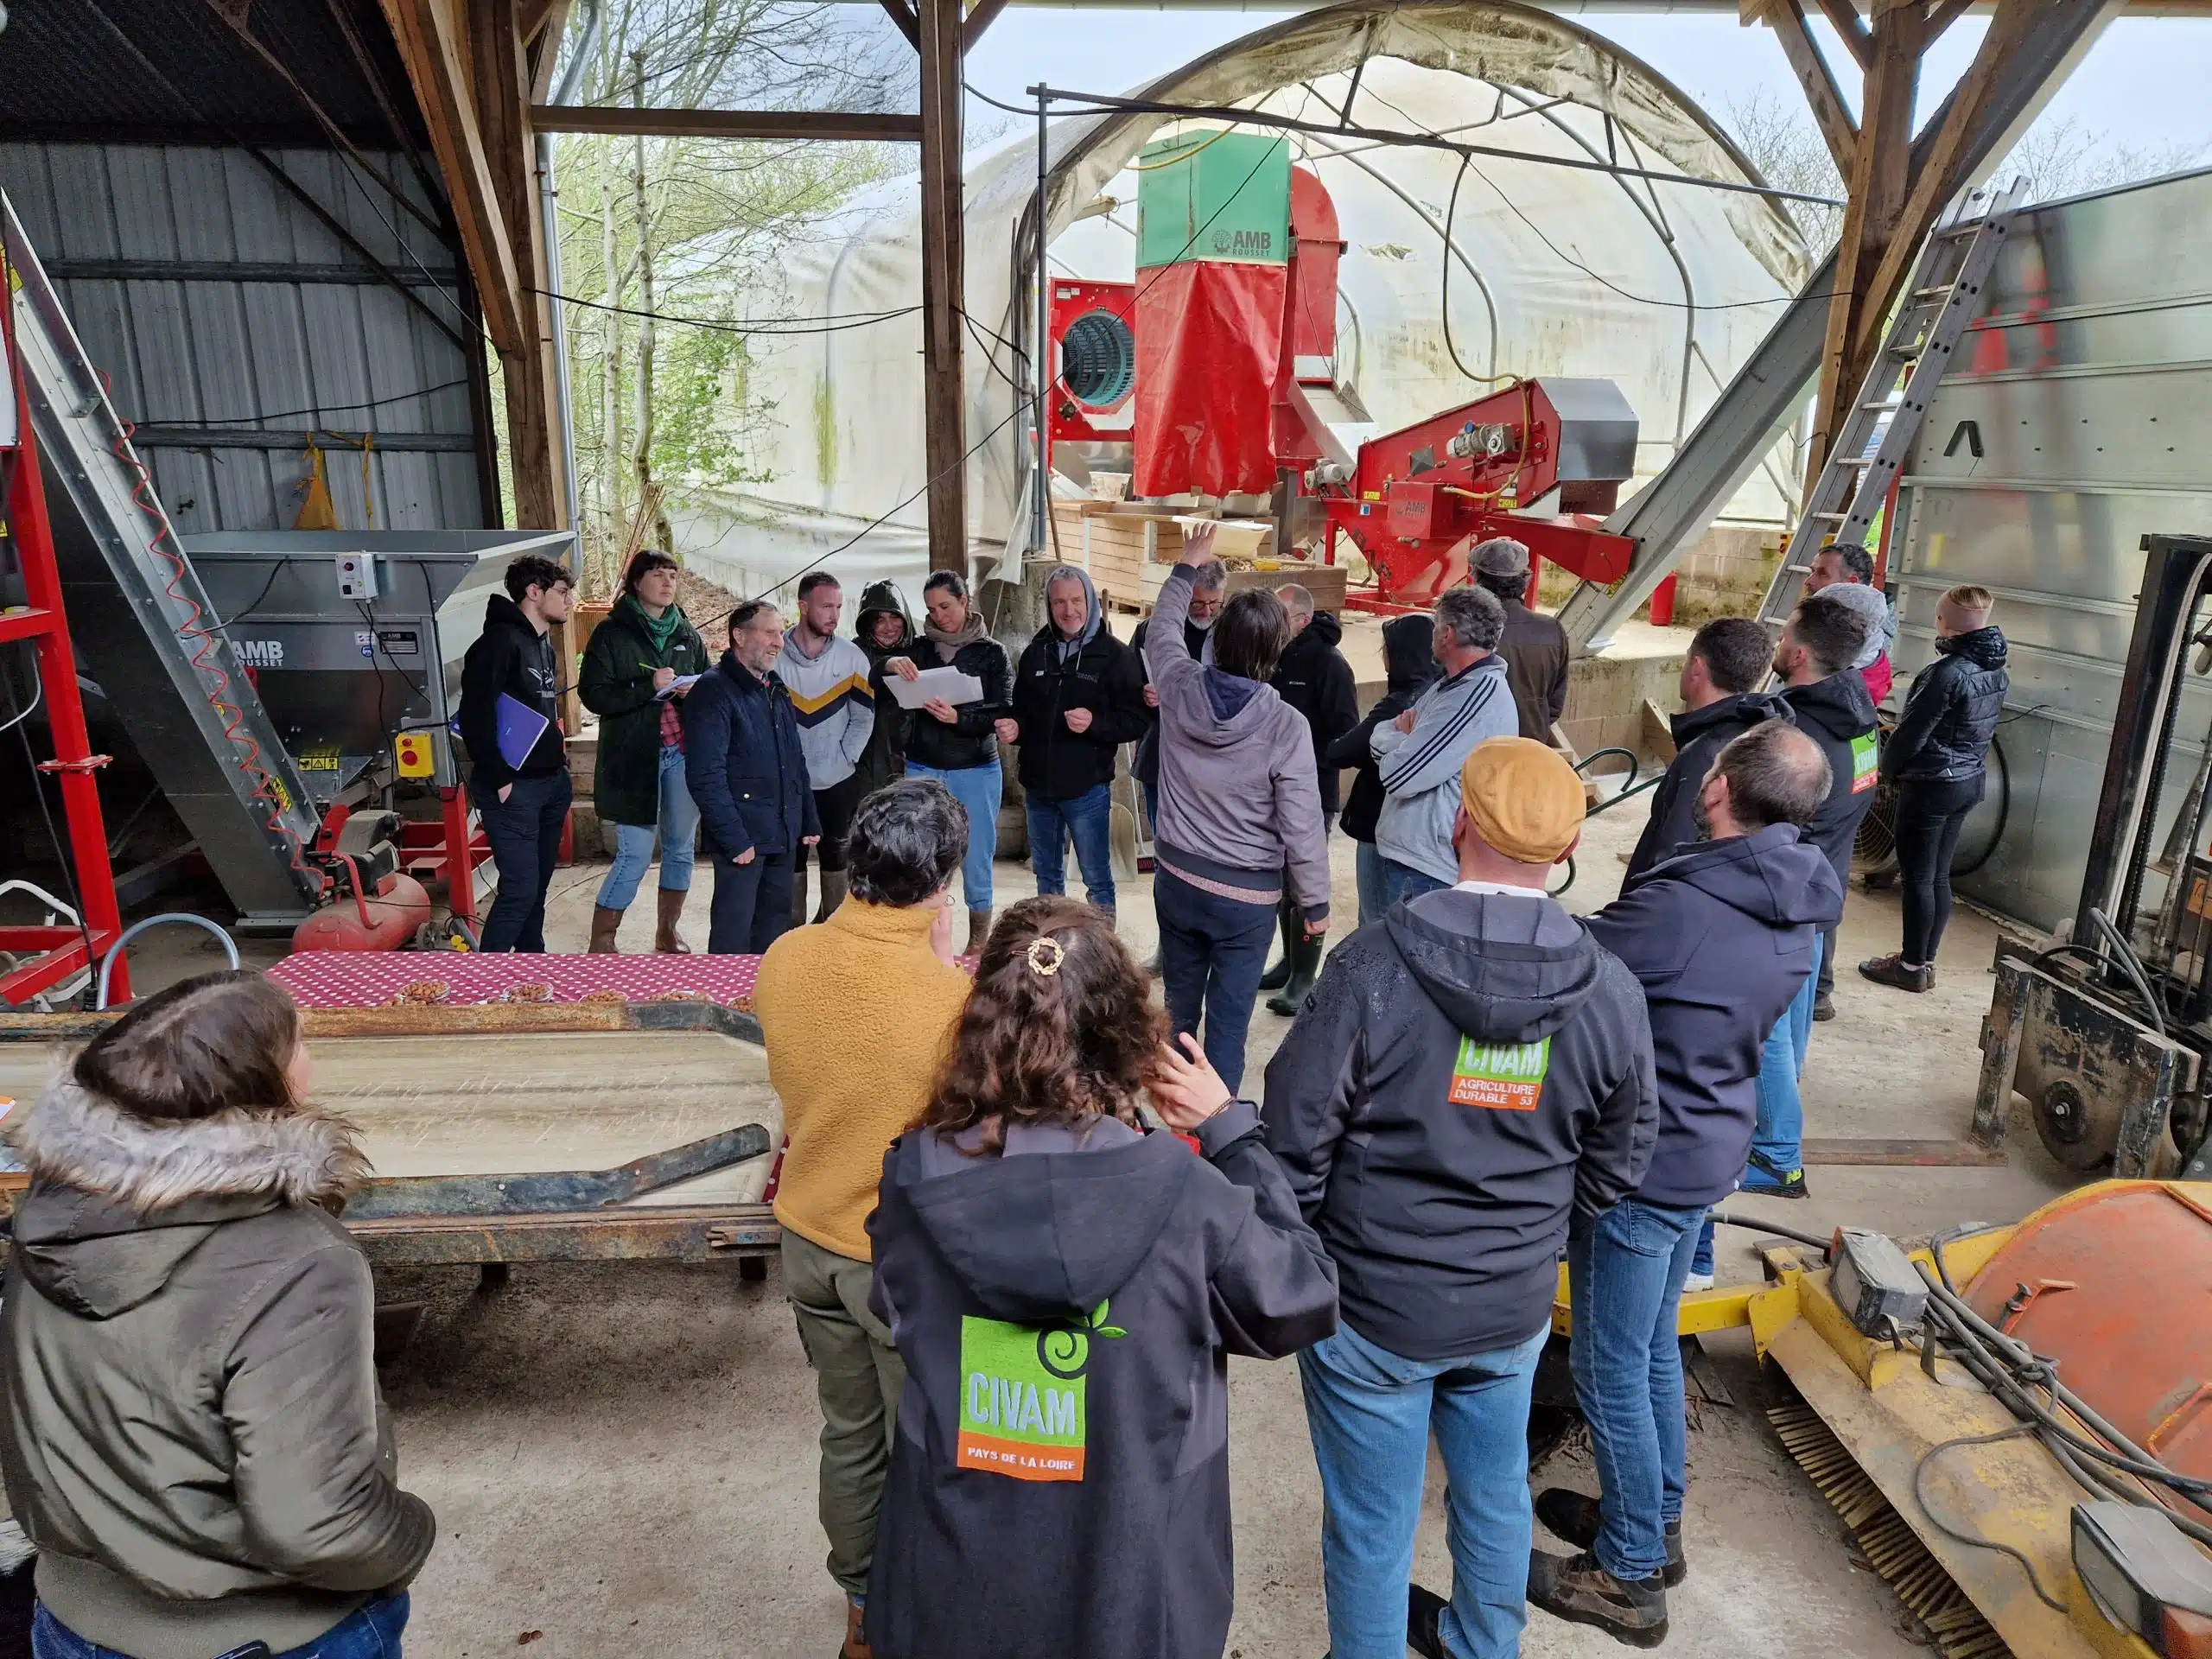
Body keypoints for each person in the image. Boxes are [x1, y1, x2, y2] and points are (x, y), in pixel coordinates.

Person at [860, 898, 1338, 1659]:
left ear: (983, 1021)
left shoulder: (914, 1177)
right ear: (1124, 1035)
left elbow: (895, 1305)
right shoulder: (1188, 1200)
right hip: (1136, 1581)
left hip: (956, 1581)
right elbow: (1299, 1297)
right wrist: (1231, 1134)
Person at [1264, 737, 1658, 1659]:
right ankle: (1487, 1646)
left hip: (1374, 1309)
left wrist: (1326, 1256)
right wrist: (1538, 1235)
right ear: (1564, 854)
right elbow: (1621, 1153)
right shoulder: (1609, 989)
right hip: (1511, 1304)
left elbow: (1292, 1144)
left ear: (1457, 823)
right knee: (1493, 1494)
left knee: (1371, 1521)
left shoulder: (1370, 969)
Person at [0, 970, 435, 1659]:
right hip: (262, 1636)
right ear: (262, 1084)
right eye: (301, 1046)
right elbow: (316, 1525)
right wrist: (410, 1534)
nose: (312, 1063)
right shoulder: (298, 1261)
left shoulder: (50, 1215)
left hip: (71, 1623)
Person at [1533, 721, 1840, 1644]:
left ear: (1716, 789)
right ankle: (1652, 1525)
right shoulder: (1796, 893)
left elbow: (1570, 963)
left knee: (1608, 1366)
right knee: (1650, 1350)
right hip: (1708, 1142)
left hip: (1646, 1159)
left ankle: (1627, 1578)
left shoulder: (1688, 904)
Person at [753, 780, 976, 1659]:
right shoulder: (948, 1003)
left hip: (807, 1237)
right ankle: (928, 1614)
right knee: (923, 1447)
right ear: (943, 885)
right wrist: (943, 959)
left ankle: (860, 1614)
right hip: (898, 1262)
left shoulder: (784, 957)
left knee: (848, 1439)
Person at [1145, 530, 1330, 1095]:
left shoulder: (1177, 683)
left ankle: (1176, 1122)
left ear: (1216, 638)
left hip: (1176, 880)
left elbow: (1160, 632)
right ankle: (1213, 1139)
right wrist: (1315, 903)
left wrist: (1186, 567)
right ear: (1276, 651)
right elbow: (1301, 823)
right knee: (1227, 1026)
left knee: (1179, 1011)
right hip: (1244, 902)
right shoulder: (1285, 727)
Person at [1750, 592, 1877, 1197]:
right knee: (1794, 1018)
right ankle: (1779, 1129)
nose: (1777, 646)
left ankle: (1778, 1158)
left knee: (1768, 1026)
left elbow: (1766, 815)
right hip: (1820, 883)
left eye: (1783, 639)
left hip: (1781, 891)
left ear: (1798, 655)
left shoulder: (1791, 731)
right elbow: (1863, 796)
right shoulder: (1860, 712)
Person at [1861, 585, 2009, 993]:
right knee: (1937, 876)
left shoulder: (1944, 673)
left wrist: (1886, 773)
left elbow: (1912, 735)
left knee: (1917, 878)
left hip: (1931, 786)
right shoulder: (1996, 668)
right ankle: (1925, 961)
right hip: (1966, 781)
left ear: (1944, 622)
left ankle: (1909, 968)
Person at [579, 549, 710, 954]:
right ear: (637, 583)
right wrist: (647, 687)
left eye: (672, 574)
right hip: (633, 757)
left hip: (681, 752)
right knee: (634, 854)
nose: (668, 582)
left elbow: (710, 683)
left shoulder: (685, 631)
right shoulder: (611, 633)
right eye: (658, 574)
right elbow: (593, 695)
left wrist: (695, 690)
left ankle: (667, 931)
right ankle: (603, 940)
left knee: (680, 847)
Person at [998, 565, 1147, 918]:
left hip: (1086, 789)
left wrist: (1095, 723)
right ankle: (1052, 947)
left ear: (1090, 600)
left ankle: (1102, 958)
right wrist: (1015, 727)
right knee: (1046, 877)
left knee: (1096, 878)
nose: (1069, 611)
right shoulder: (1037, 652)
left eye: (1076, 600)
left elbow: (1136, 720)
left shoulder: (1114, 655)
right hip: (1038, 787)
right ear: (1049, 605)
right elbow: (1022, 708)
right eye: (1059, 602)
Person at [887, 571, 1012, 957]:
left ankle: (978, 938)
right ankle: (921, 930)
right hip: (924, 765)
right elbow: (881, 679)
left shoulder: (992, 653)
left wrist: (959, 719)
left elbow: (1003, 708)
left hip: (975, 766)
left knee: (977, 853)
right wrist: (892, 664)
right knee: (919, 851)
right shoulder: (919, 649)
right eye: (930, 609)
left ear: (965, 601)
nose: (939, 616)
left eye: (946, 606)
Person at [685, 601, 820, 956]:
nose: (780, 641)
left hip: (781, 834)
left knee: (774, 928)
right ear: (739, 636)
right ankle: (725, 1004)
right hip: (743, 839)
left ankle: (763, 1002)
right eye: (770, 632)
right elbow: (704, 775)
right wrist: (734, 840)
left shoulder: (775, 687)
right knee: (734, 931)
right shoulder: (713, 690)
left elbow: (794, 760)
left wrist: (806, 817)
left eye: (781, 632)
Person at [1370, 586, 1517, 907]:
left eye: (1436, 625)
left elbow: (1399, 777)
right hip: (1411, 858)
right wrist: (1405, 741)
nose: (1432, 635)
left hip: (1428, 869)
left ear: (1447, 634)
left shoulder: (1473, 698)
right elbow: (1379, 735)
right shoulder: (1448, 686)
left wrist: (1405, 741)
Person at [457, 552, 575, 952]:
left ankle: (530, 971)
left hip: (549, 783)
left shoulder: (542, 645)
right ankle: (483, 985)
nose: (569, 601)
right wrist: (500, 778)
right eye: (561, 592)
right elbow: (474, 715)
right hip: (513, 789)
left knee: (537, 889)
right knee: (519, 891)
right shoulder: (497, 643)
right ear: (533, 592)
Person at [1623, 616, 1792, 886]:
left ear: (1697, 667)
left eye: (1687, 659)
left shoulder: (1705, 755)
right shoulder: (1760, 737)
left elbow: (1672, 860)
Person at [1261, 582, 1358, 1013]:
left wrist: (1302, 757)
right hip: (1267, 788)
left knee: (1304, 885)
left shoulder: (1330, 665)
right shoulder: (1273, 655)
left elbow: (1345, 729)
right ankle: (1289, 962)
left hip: (1311, 792)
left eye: (1280, 617)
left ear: (1301, 620)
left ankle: (1305, 977)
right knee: (1283, 888)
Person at [779, 573, 880, 927]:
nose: (835, 615)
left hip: (837, 779)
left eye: (838, 607)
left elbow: (864, 717)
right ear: (803, 606)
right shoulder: (773, 657)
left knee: (837, 857)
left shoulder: (853, 658)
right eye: (826, 606)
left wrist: (846, 757)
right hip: (786, 782)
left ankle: (831, 932)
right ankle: (791, 933)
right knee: (789, 857)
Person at [1328, 614, 1440, 930]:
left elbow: (1345, 750)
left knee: (1376, 925)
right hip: (1419, 832)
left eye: (1386, 648)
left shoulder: (1400, 703)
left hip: (1381, 827)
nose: (1383, 657)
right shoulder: (1440, 695)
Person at [1130, 556, 1227, 829]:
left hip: (1213, 761)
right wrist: (1144, 693)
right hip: (1160, 757)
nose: (1206, 612)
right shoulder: (1152, 632)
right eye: (1196, 603)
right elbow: (1125, 685)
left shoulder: (1233, 631)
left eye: (1214, 603)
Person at [1471, 537, 1569, 744]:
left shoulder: (1464, 629)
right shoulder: (1552, 629)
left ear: (1477, 579)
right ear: (1525, 580)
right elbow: (1554, 704)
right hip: (1531, 744)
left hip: (1478, 750)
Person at [1805, 542, 1895, 705]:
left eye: (1823, 574)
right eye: (1812, 571)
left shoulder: (1867, 644)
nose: (1809, 581)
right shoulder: (1833, 625)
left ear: (1852, 583)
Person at [853, 581, 915, 800]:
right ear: (867, 624)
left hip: (913, 758)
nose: (889, 627)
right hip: (864, 761)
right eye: (879, 620)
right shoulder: (852, 654)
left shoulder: (921, 651)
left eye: (895, 617)